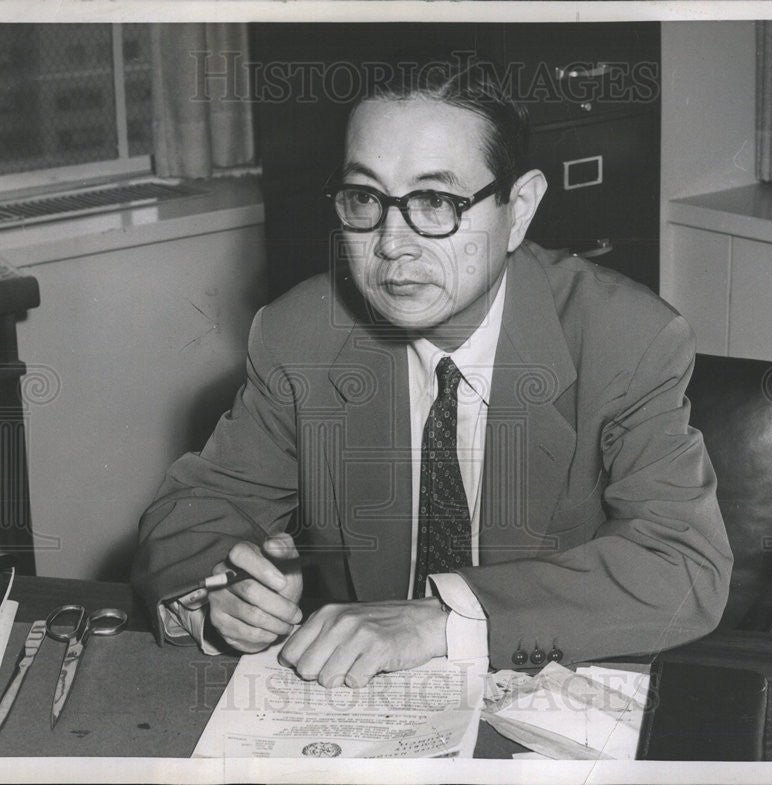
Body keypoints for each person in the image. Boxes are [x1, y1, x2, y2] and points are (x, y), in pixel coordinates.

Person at [131, 57, 733, 688]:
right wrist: (221, 595)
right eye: (366, 198)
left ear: (519, 210)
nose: (393, 243)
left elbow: (682, 564)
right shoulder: (301, 333)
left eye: (437, 201)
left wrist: (443, 620)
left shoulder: (624, 339)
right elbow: (196, 511)